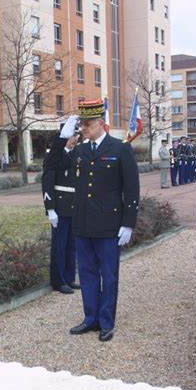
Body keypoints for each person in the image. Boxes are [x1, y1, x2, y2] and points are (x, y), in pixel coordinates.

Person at [63, 100, 140, 342]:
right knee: (86, 273)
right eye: (82, 124)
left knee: (109, 275)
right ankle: (90, 318)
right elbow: (60, 168)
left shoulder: (120, 148)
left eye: (87, 124)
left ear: (100, 124)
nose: (83, 128)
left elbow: (132, 189)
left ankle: (106, 321)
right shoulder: (79, 150)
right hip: (83, 223)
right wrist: (61, 143)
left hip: (109, 224)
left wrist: (128, 223)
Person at [41, 125, 80, 295]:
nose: (76, 139)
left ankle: (69, 277)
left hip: (75, 206)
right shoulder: (53, 156)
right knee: (59, 246)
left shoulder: (77, 154)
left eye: (76, 136)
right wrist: (50, 209)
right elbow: (47, 182)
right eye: (73, 136)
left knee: (72, 245)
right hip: (59, 206)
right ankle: (58, 280)